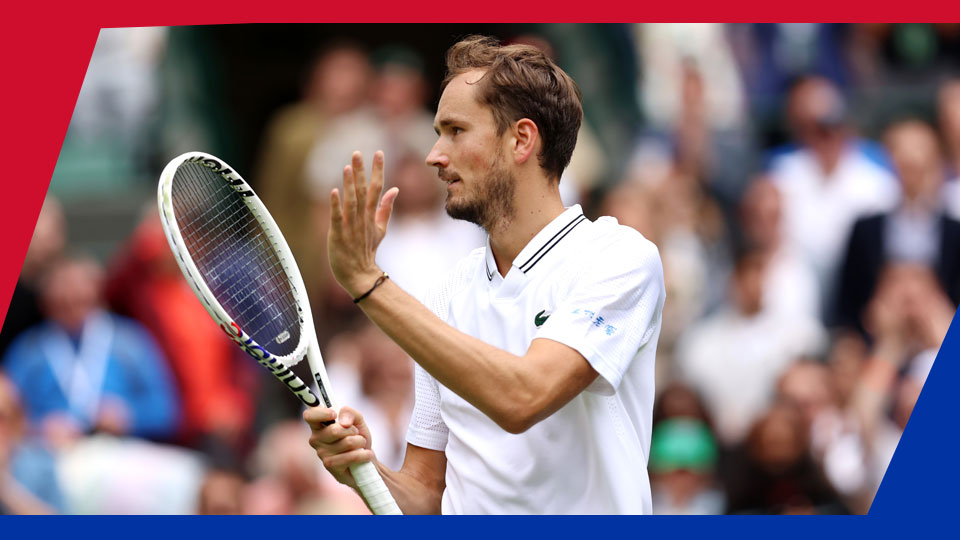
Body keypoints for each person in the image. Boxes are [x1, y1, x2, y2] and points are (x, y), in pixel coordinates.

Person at [304, 35, 666, 515]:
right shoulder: (450, 292)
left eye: (455, 130)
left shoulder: (618, 258)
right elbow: (428, 495)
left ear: (521, 139)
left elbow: (524, 395)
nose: (434, 154)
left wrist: (369, 284)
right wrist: (364, 472)